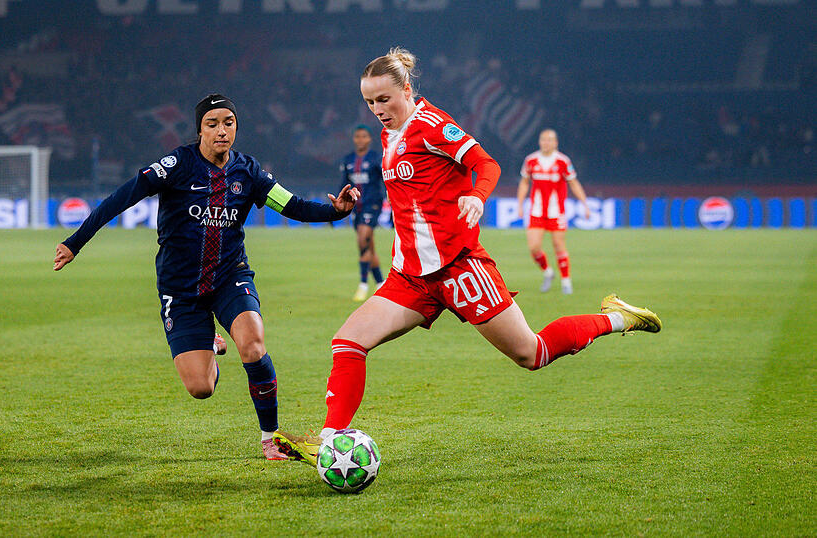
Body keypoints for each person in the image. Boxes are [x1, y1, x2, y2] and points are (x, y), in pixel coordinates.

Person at [273, 48, 661, 464]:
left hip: (459, 267)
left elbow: (486, 164)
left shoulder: (433, 126)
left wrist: (476, 196)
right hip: (410, 276)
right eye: (369, 102)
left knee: (532, 353)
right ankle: (331, 441)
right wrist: (353, 200)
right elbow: (413, 193)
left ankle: (619, 317)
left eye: (384, 99)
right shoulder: (388, 136)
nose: (377, 110)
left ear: (406, 89)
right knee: (348, 341)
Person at [53, 94, 360, 460]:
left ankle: (270, 437)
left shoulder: (249, 171)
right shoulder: (177, 165)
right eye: (212, 123)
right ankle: (209, 344)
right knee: (200, 388)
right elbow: (122, 198)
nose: (221, 131)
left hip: (230, 276)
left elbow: (290, 205)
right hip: (180, 289)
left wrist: (335, 212)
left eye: (228, 123)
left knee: (253, 343)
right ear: (199, 129)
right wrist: (75, 242)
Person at [517, 129, 590, 294]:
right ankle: (548, 272)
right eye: (543, 139)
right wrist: (520, 204)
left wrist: (585, 204)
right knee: (534, 247)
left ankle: (566, 281)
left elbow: (573, 183)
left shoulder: (563, 161)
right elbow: (524, 183)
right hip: (536, 211)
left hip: (556, 212)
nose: (546, 142)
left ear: (555, 142)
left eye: (549, 140)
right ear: (539, 141)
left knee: (558, 245)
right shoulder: (531, 160)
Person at [339, 124, 386, 301]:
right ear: (354, 139)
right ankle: (381, 283)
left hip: (372, 205)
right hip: (356, 208)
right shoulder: (348, 160)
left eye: (363, 136)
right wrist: (337, 206)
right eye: (357, 136)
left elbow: (386, 180)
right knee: (369, 245)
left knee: (363, 239)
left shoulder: (375, 158)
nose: (360, 139)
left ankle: (363, 284)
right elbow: (343, 185)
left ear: (369, 139)